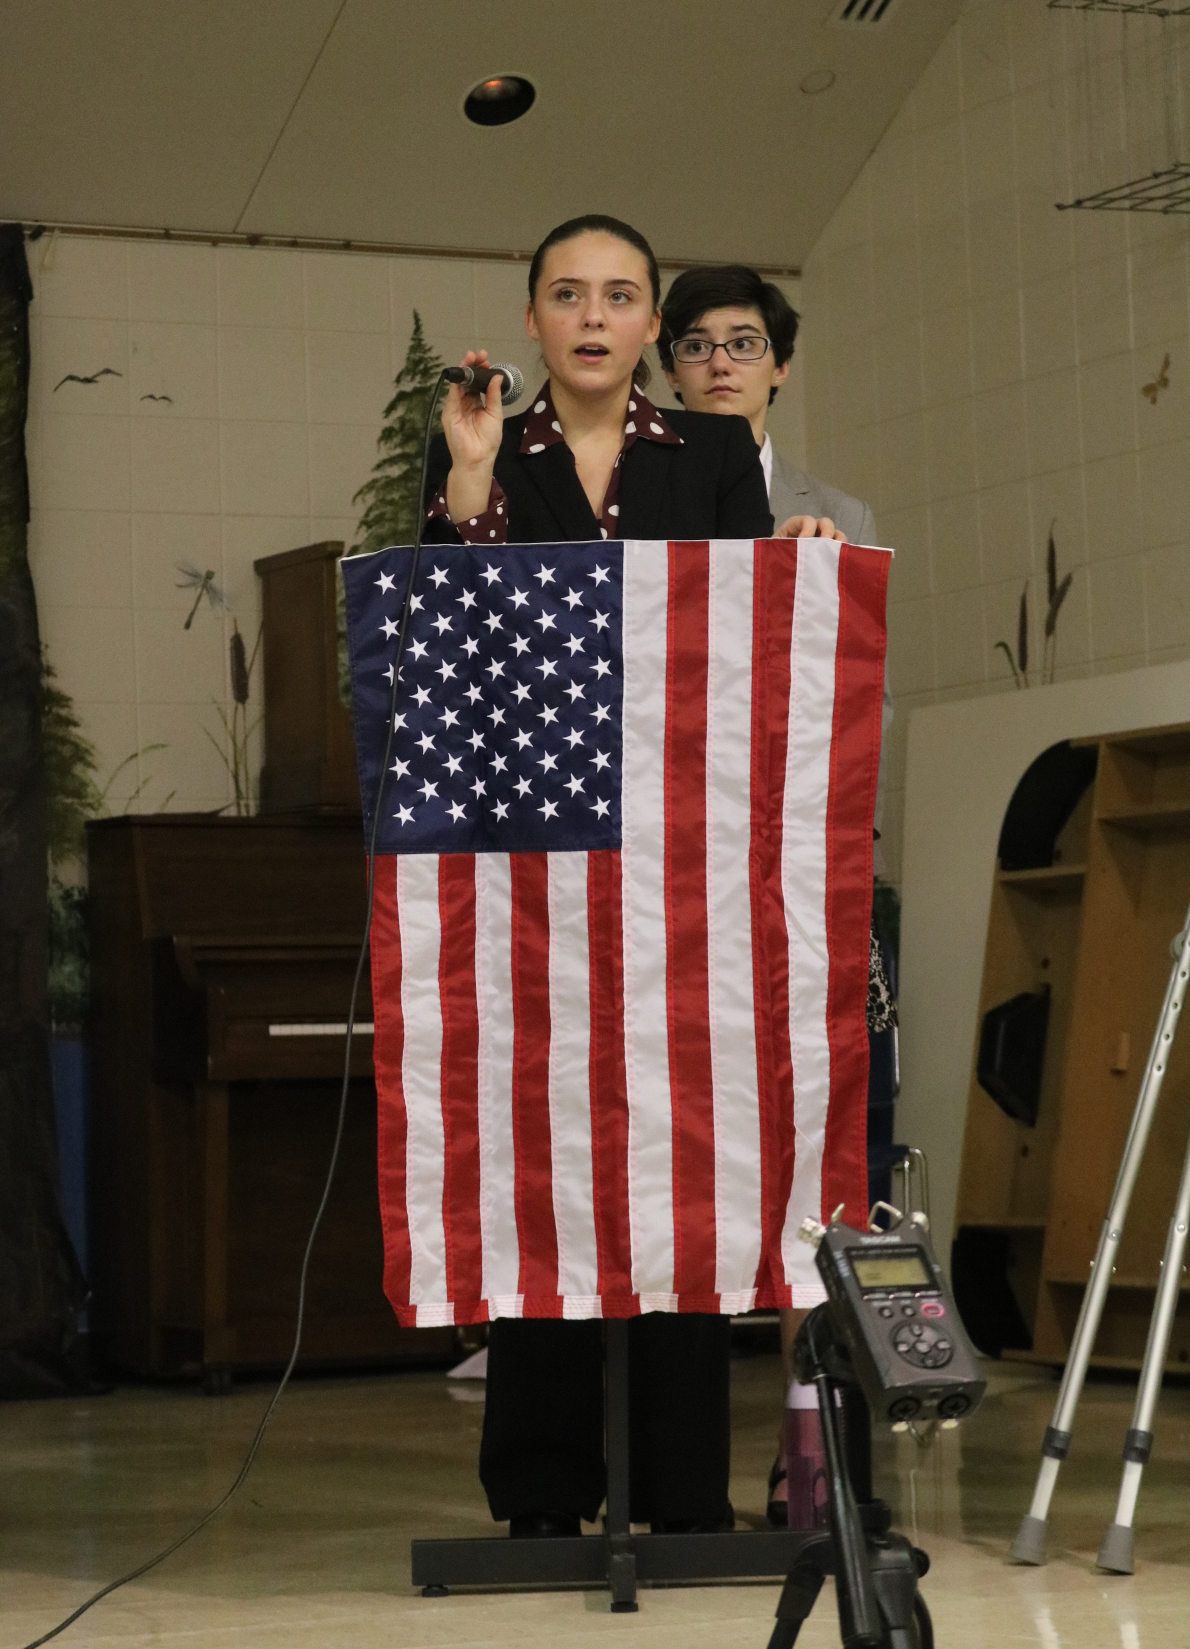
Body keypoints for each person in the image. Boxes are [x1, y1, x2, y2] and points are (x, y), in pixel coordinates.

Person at [422, 213, 773, 1538]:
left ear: (647, 327)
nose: (591, 316)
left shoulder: (717, 453)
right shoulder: (483, 446)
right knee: (544, 1155)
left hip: (684, 853)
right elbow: (447, 630)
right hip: (535, 862)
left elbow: (746, 642)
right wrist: (465, 479)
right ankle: (541, 1491)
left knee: (683, 1155)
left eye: (619, 296)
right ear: (531, 318)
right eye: (566, 294)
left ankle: (683, 1494)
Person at [658, 261, 895, 1527]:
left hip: (806, 876)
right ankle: (681, 1478)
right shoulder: (634, 503)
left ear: (780, 362)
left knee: (831, 1165)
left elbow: (861, 707)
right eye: (692, 343)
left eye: (742, 341)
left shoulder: (835, 510)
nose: (718, 361)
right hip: (675, 891)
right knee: (686, 1172)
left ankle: (819, 1464)